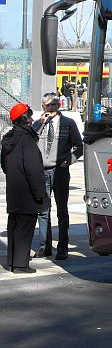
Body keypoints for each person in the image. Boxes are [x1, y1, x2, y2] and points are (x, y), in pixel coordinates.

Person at [32, 92, 83, 260]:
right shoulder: (37, 124)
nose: (51, 108)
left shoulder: (68, 123)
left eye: (53, 104)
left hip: (60, 171)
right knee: (43, 211)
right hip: (42, 171)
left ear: (59, 105)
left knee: (62, 210)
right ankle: (44, 247)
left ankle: (62, 248)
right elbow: (29, 141)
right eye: (47, 105)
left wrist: (68, 161)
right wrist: (40, 124)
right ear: (43, 107)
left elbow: (79, 146)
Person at [1, 103, 50, 274]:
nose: (31, 119)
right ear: (24, 119)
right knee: (25, 228)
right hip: (27, 192)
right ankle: (21, 265)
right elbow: (33, 169)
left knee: (14, 226)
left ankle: (13, 262)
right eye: (29, 116)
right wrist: (40, 193)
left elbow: (4, 166)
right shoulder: (26, 139)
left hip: (14, 190)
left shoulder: (9, 138)